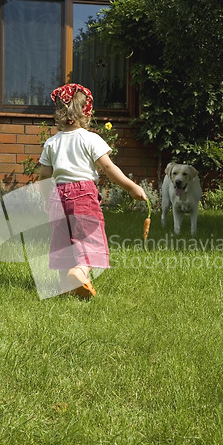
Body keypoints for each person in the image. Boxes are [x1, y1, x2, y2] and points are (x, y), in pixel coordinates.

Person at [39, 83, 147, 299]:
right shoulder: (90, 139)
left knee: (63, 242)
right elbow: (108, 167)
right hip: (83, 195)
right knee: (88, 239)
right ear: (85, 111)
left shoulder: (51, 143)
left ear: (59, 112)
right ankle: (80, 272)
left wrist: (45, 201)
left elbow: (44, 176)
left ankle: (65, 287)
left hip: (58, 197)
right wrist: (132, 187)